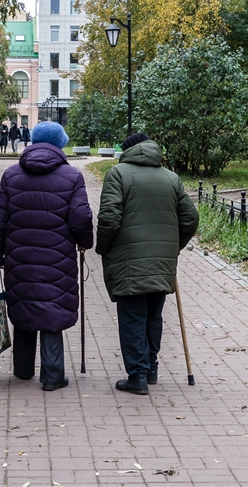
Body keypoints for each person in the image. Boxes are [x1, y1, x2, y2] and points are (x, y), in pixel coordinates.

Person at [0, 122, 93, 391]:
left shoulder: (11, 175)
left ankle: (22, 370)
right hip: (58, 259)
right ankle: (53, 376)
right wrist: (85, 243)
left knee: (24, 305)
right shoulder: (72, 176)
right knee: (52, 306)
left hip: (19, 257)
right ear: (60, 143)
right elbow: (81, 218)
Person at [96, 133, 199, 395]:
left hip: (128, 259)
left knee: (132, 317)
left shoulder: (118, 174)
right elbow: (190, 219)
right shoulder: (170, 177)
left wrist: (103, 248)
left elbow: (109, 218)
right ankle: (151, 368)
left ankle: (137, 376)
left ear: (129, 150)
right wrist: (173, 247)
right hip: (162, 260)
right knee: (153, 316)